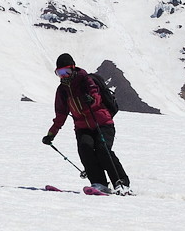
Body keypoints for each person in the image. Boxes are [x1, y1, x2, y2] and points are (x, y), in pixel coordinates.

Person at [42, 53, 133, 195]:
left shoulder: (86, 80)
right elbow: (60, 115)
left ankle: (121, 183)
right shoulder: (62, 91)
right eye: (60, 73)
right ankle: (99, 183)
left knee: (103, 150)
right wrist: (51, 134)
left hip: (102, 123)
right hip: (82, 127)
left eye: (66, 71)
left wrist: (91, 99)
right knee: (85, 149)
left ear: (73, 68)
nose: (64, 76)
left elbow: (96, 96)